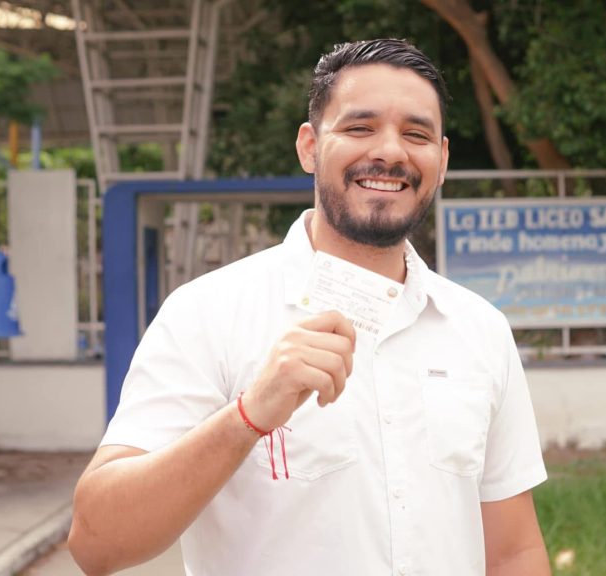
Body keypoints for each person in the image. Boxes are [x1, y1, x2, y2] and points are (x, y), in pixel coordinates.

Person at [68, 38, 550, 576]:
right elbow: (96, 543)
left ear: (441, 160)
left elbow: (513, 552)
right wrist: (248, 416)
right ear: (309, 146)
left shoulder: (479, 329)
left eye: (416, 134)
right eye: (360, 127)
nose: (391, 151)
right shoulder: (208, 313)